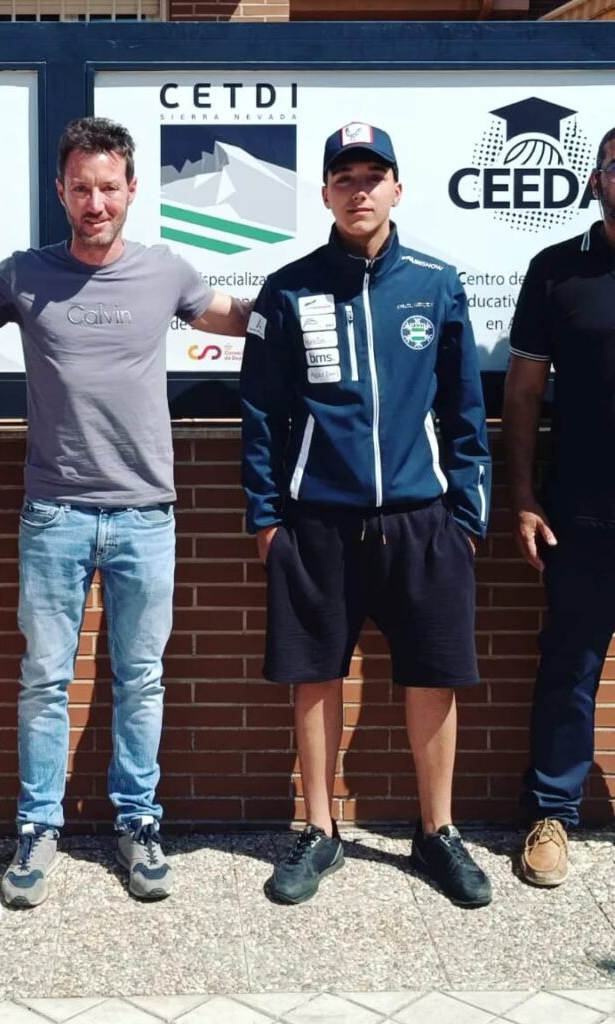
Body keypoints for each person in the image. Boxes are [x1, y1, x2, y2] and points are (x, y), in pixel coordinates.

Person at [0, 117, 249, 906]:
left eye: (109, 188)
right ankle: (37, 826)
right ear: (60, 191)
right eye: (81, 188)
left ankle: (138, 822)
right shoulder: (23, 275)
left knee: (141, 679)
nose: (96, 203)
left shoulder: (166, 272)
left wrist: (317, 301)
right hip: (54, 513)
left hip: (145, 515)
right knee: (44, 680)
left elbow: (238, 318)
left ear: (132, 190)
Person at [241, 122, 493, 908]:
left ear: (397, 189)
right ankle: (320, 829)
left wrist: (468, 516)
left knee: (434, 677)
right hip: (317, 522)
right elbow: (262, 413)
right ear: (324, 193)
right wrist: (266, 517)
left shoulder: (437, 283)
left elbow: (465, 410)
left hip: (423, 521)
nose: (359, 191)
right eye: (344, 178)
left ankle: (438, 831)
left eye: (372, 177)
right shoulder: (288, 289)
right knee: (316, 675)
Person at [504, 127, 615, 888]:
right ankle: (552, 812)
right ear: (597, 179)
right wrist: (522, 495)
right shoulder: (555, 269)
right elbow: (522, 393)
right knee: (570, 668)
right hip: (582, 511)